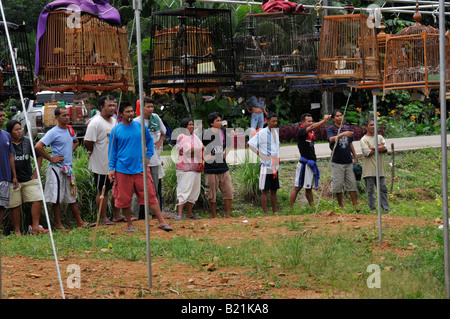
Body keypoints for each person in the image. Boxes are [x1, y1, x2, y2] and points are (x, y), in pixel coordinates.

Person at [108, 103, 172, 232]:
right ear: (121, 114)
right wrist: (111, 168)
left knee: (150, 194)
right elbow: (112, 151)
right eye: (127, 111)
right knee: (125, 198)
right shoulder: (116, 130)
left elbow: (149, 141)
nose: (131, 114)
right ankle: (130, 224)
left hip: (140, 168)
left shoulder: (140, 126)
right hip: (122, 169)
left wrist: (148, 155)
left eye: (132, 111)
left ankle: (161, 221)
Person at [35, 107, 93, 229]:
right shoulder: (53, 132)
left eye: (68, 115)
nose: (67, 117)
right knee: (56, 198)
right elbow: (38, 146)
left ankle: (80, 223)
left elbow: (76, 141)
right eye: (64, 115)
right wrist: (51, 158)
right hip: (56, 168)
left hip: (68, 168)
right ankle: (58, 225)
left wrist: (69, 152)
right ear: (57, 117)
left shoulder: (69, 130)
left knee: (72, 196)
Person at [84, 95, 125, 225]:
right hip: (101, 164)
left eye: (114, 105)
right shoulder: (95, 123)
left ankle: (117, 215)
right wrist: (93, 151)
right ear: (102, 107)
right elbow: (88, 142)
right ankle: (103, 218)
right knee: (103, 190)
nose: (113, 108)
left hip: (115, 163)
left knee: (116, 189)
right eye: (110, 105)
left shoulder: (115, 121)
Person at [6, 120, 47, 235]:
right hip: (13, 180)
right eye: (16, 130)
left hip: (28, 178)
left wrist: (36, 172)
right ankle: (17, 231)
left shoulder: (27, 141)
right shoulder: (7, 143)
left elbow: (38, 156)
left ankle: (35, 227)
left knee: (37, 198)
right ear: (10, 133)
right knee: (14, 205)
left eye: (20, 129)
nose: (20, 132)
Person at [133, 97, 167, 220]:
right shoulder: (136, 121)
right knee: (140, 189)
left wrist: (159, 142)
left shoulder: (156, 119)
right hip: (141, 161)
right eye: (148, 106)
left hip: (155, 160)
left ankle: (156, 214)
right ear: (141, 108)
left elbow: (164, 132)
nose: (150, 109)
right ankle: (138, 215)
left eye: (152, 106)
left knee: (156, 188)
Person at [290, 113, 331, 208]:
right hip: (304, 164)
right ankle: (290, 209)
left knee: (308, 188)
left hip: (311, 164)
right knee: (297, 187)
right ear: (302, 122)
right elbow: (313, 127)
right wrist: (324, 121)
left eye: (312, 121)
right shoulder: (301, 131)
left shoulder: (311, 133)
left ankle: (313, 209)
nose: (311, 123)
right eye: (308, 121)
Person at [327, 109, 360, 212]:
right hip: (337, 161)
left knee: (352, 184)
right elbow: (331, 139)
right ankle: (341, 206)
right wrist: (342, 134)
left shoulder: (346, 128)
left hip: (348, 161)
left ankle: (356, 206)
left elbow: (350, 143)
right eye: (337, 116)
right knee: (337, 185)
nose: (340, 117)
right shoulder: (331, 128)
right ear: (333, 118)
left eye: (341, 115)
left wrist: (355, 156)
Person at [202, 112, 234, 218]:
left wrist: (226, 153)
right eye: (217, 121)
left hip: (223, 166)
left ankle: (228, 215)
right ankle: (213, 216)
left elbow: (230, 144)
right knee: (211, 193)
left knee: (228, 190)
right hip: (210, 167)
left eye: (220, 120)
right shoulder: (206, 134)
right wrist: (206, 155)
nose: (220, 122)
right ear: (211, 123)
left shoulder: (223, 133)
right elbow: (201, 146)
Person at [248, 113, 280, 216]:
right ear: (267, 121)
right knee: (265, 189)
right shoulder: (262, 133)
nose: (275, 123)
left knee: (274, 189)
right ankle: (266, 213)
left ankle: (275, 211)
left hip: (274, 164)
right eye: (273, 121)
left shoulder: (276, 132)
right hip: (266, 164)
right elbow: (251, 144)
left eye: (276, 121)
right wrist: (260, 155)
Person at [174, 117, 205, 220]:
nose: (191, 126)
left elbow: (202, 148)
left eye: (192, 124)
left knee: (194, 192)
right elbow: (188, 151)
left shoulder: (195, 137)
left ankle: (189, 213)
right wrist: (200, 149)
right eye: (189, 124)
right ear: (184, 126)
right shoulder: (181, 136)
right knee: (184, 190)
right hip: (185, 169)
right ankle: (179, 215)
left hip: (196, 168)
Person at [360, 118, 390, 213]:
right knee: (370, 191)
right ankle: (372, 209)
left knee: (383, 189)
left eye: (374, 124)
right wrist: (379, 147)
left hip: (380, 169)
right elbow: (367, 152)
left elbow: (385, 148)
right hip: (369, 170)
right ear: (366, 127)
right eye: (371, 125)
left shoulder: (380, 137)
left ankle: (386, 208)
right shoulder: (363, 140)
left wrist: (373, 147)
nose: (373, 127)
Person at [0, 107, 18, 233]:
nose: (3, 118)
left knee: (2, 206)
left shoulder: (6, 135)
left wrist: (14, 176)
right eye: (0, 115)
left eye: (3, 115)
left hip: (5, 176)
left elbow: (11, 156)